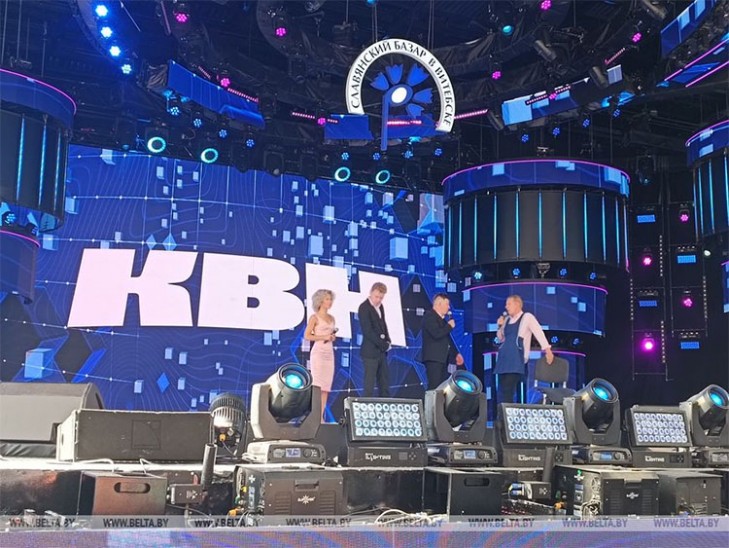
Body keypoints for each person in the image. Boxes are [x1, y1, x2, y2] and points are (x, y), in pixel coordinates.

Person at [495, 294, 554, 405]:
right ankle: (501, 414)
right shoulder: (507, 320)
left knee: (508, 392)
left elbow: (538, 332)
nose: (506, 307)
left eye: (509, 304)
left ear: (517, 304)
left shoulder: (527, 317)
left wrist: (548, 350)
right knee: (502, 392)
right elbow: (500, 338)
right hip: (504, 360)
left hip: (517, 360)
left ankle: (507, 415)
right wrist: (499, 326)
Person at [304, 289, 337, 422]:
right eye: (327, 299)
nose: (330, 302)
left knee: (326, 387)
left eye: (330, 299)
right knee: (318, 385)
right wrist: (323, 337)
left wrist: (331, 337)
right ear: (320, 301)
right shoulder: (314, 317)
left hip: (329, 353)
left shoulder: (332, 318)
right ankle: (314, 415)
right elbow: (307, 335)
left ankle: (321, 416)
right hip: (318, 352)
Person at [421, 293, 464, 390]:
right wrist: (449, 326)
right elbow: (437, 334)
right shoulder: (429, 316)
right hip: (433, 358)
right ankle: (430, 401)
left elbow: (447, 339)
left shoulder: (443, 321)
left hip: (443, 358)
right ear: (439, 304)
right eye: (447, 304)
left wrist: (456, 353)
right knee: (434, 386)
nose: (449, 307)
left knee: (442, 387)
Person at [358, 282, 391, 397]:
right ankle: (366, 406)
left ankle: (385, 405)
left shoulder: (380, 306)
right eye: (376, 297)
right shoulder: (364, 308)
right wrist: (383, 344)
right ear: (371, 293)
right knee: (369, 385)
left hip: (381, 352)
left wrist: (388, 340)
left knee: (384, 383)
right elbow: (368, 331)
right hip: (370, 352)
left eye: (381, 297)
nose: (378, 300)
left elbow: (383, 324)